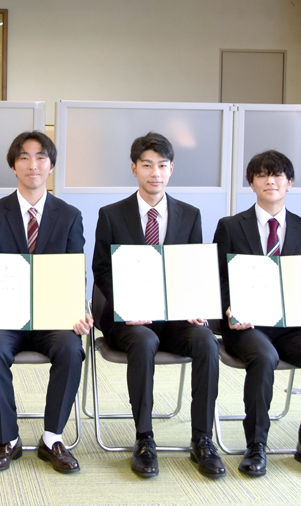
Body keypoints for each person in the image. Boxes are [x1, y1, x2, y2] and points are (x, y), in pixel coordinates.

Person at [92, 132, 225, 479]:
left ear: (171, 169)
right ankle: (144, 438)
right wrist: (127, 306)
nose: (155, 173)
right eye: (147, 165)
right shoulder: (111, 215)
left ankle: (202, 439)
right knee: (144, 341)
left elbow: (191, 267)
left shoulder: (190, 215)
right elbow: (101, 269)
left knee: (206, 341)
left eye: (162, 166)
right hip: (129, 319)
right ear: (134, 168)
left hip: (176, 317)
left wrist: (194, 305)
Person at [0, 131, 93, 474]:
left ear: (51, 165)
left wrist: (79, 310)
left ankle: (52, 438)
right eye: (24, 157)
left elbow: (74, 271)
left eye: (40, 157)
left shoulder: (69, 215)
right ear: (13, 166)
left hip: (53, 318)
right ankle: (8, 438)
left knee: (71, 348)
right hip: (5, 318)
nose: (32, 164)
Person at [213, 150, 301, 477]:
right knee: (264, 356)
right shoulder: (230, 226)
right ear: (252, 183)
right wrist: (229, 307)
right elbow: (218, 278)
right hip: (247, 325)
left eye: (278, 175)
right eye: (262, 175)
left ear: (289, 182)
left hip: (291, 326)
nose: (271, 181)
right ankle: (256, 445)